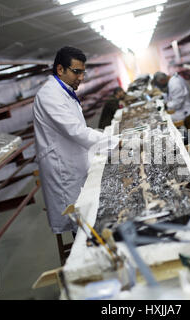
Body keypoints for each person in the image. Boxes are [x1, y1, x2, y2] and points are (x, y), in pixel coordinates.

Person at [33, 46, 119, 234]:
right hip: (63, 168)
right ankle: (83, 255)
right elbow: (76, 131)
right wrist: (114, 142)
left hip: (74, 161)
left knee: (84, 213)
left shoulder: (64, 90)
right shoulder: (49, 95)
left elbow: (78, 130)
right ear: (60, 69)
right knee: (77, 219)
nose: (81, 77)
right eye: (76, 72)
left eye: (83, 73)